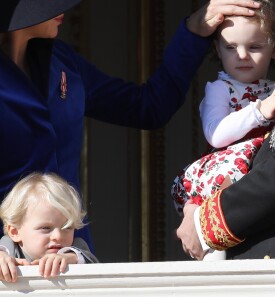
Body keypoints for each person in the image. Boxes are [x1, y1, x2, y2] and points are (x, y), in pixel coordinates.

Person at [0, 0, 261, 251]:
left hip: (70, 255)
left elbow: (148, 107)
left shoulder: (62, 62)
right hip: (7, 262)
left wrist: (195, 30)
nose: (62, 6)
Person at [176, 0, 275, 261]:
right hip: (230, 170)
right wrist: (202, 223)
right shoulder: (220, 89)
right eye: (231, 47)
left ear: (274, 50)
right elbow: (216, 134)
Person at [0, 172, 99, 283]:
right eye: (46, 228)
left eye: (67, 227)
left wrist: (71, 258)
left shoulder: (76, 247)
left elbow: (95, 266)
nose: (58, 236)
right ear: (15, 232)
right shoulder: (9, 247)